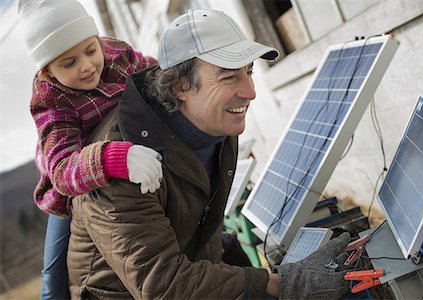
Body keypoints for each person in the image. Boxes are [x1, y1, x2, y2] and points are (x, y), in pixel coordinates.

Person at [67, 8, 351, 299]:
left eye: (249, 71)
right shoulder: (123, 166)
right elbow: (162, 285)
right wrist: (281, 283)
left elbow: (192, 225)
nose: (250, 91)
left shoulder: (214, 123)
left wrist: (243, 266)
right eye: (229, 77)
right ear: (181, 86)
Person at [18, 0, 163, 299]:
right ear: (48, 70)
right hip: (74, 179)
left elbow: (155, 75)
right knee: (55, 268)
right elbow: (61, 171)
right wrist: (114, 158)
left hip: (130, 142)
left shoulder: (116, 54)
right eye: (68, 63)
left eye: (90, 50)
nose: (86, 66)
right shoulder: (50, 98)